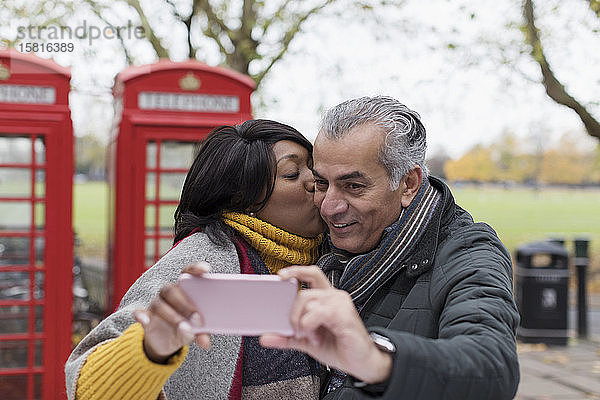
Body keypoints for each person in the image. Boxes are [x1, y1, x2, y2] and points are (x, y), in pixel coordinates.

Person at [260, 95, 521, 399]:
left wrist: (375, 360)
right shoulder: (315, 244)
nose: (328, 207)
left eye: (353, 186)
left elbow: (491, 369)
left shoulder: (469, 252)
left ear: (409, 183)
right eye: (321, 183)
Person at [65, 119, 325, 400]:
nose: (313, 180)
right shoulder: (203, 260)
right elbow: (89, 388)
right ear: (243, 198)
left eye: (312, 167)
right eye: (291, 173)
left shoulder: (333, 258)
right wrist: (149, 350)